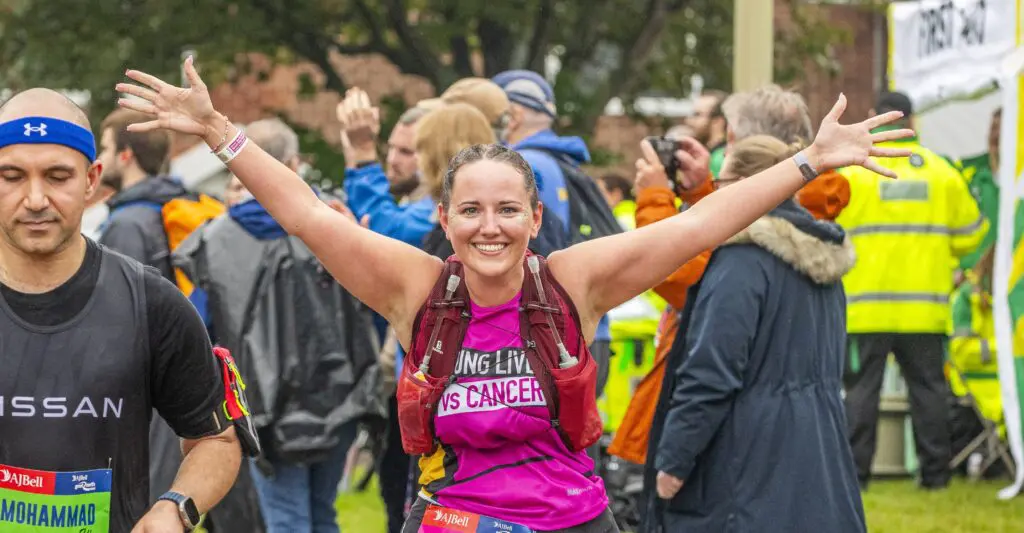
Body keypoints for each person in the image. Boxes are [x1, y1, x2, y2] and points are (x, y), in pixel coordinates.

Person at [114, 57, 912, 532]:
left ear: (536, 217)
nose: (488, 227)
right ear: (444, 217)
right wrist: (220, 132)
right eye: (471, 210)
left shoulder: (575, 280)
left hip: (570, 517)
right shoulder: (415, 286)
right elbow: (301, 212)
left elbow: (700, 225)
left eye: (506, 210)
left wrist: (810, 160)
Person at [0, 87, 243, 533]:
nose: (35, 199)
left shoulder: (151, 302)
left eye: (57, 176)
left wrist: (177, 508)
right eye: (12, 176)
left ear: (92, 179)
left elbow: (218, 438)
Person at [644, 135, 866, 533]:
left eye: (720, 184)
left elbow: (711, 374)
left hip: (745, 459)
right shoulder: (822, 259)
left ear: (743, 188)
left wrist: (673, 462)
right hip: (819, 456)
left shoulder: (740, 263)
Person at [174, 118, 380, 533]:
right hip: (338, 395)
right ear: (292, 163)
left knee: (286, 518)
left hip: (261, 406)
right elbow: (371, 307)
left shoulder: (214, 240)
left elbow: (198, 329)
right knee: (323, 513)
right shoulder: (334, 223)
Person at [837, 91, 988, 490]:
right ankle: (935, 477)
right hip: (925, 309)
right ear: (912, 121)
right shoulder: (942, 172)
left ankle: (855, 476)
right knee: (929, 392)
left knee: (860, 393)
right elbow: (973, 237)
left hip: (865, 309)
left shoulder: (853, 172)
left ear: (872, 118)